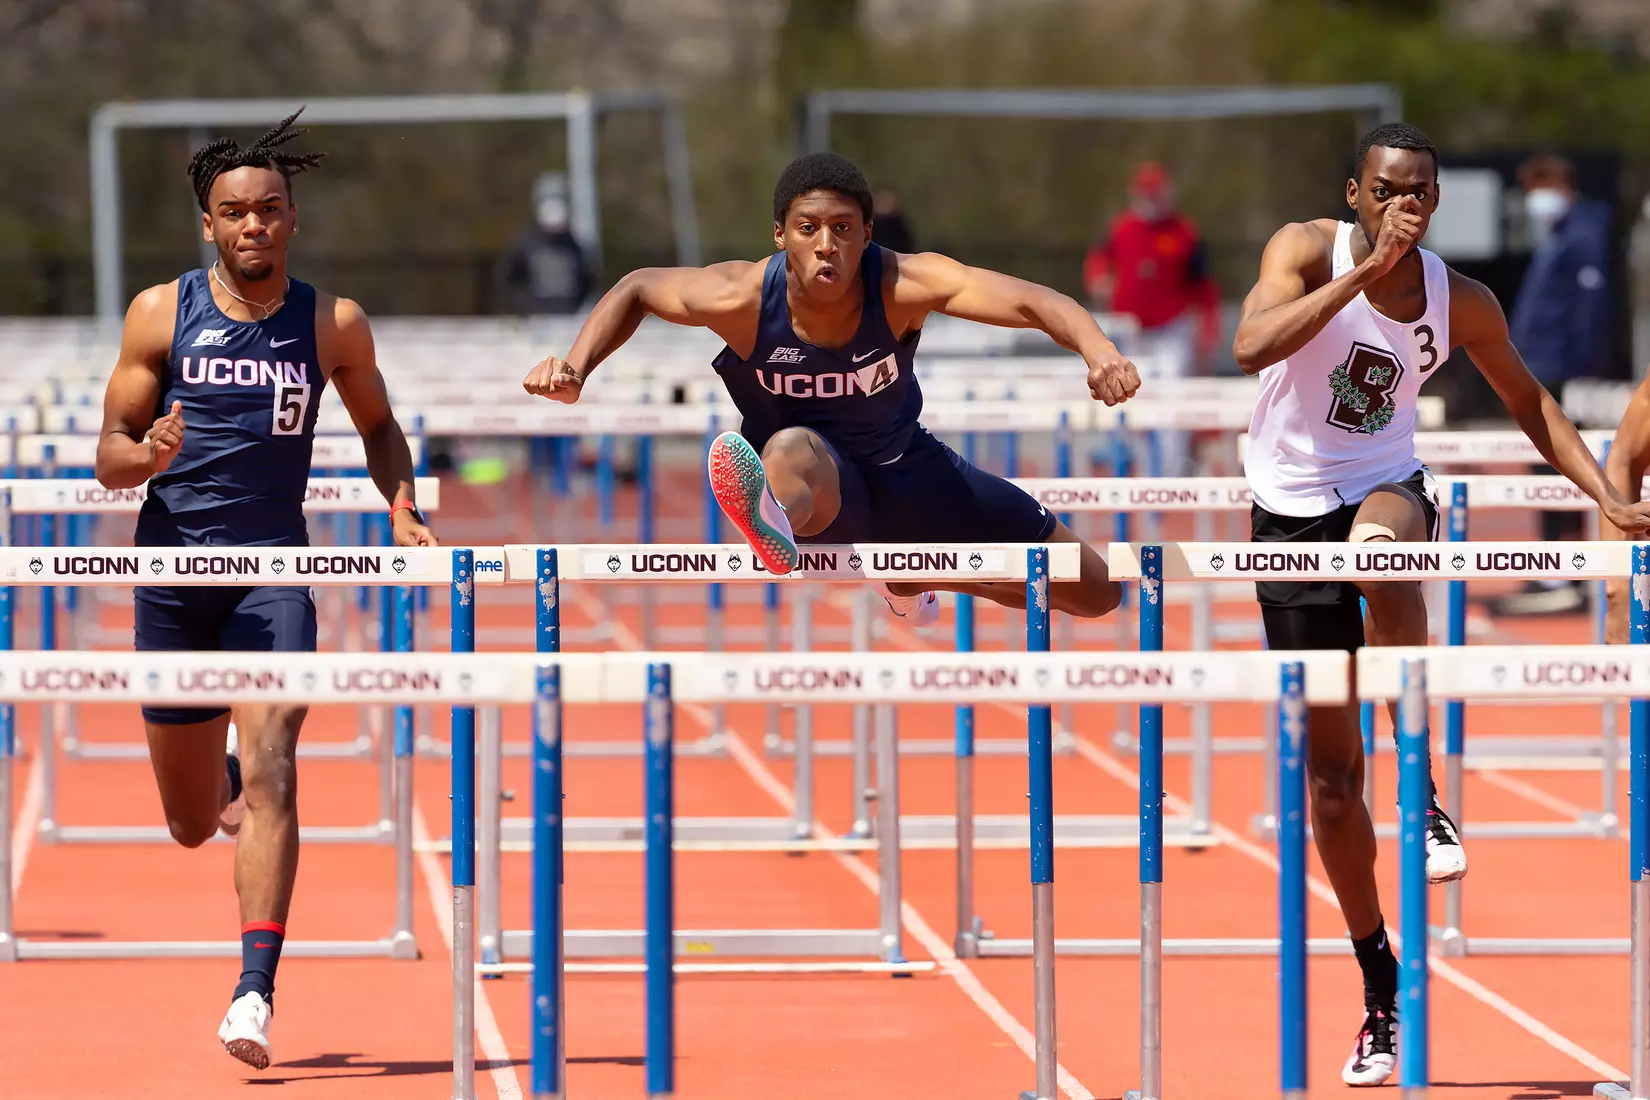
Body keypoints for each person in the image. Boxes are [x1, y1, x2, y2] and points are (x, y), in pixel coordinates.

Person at [1232, 121, 1650, 1087]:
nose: (1403, 207)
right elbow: (1251, 344)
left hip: (1385, 483)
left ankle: (1419, 794)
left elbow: (1532, 404)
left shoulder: (1460, 302)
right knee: (1333, 784)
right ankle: (1379, 981)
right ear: (1355, 193)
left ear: (1437, 201)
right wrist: (1359, 274)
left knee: (1384, 542)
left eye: (1419, 193)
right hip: (1286, 511)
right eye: (1387, 190)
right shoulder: (1303, 250)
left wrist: (1606, 495)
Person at [93, 109, 436, 1071]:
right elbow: (110, 457)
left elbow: (378, 428)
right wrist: (146, 450)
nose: (254, 227)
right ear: (209, 223)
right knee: (190, 822)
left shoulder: (333, 323)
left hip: (275, 572)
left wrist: (400, 503)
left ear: (293, 219)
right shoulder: (160, 313)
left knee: (277, 749)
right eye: (234, 212)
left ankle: (254, 993)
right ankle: (225, 787)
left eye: (270, 211)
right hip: (171, 574)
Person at [523, 151, 1138, 622]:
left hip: (905, 466)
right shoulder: (739, 297)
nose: (826, 245)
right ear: (780, 234)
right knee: (792, 446)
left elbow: (1031, 300)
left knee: (1095, 588)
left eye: (843, 229)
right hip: (818, 486)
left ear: (868, 233)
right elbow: (638, 287)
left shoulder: (903, 285)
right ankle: (775, 520)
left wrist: (1099, 350)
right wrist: (577, 367)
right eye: (808, 227)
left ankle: (908, 576)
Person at [1493, 152, 1616, 616]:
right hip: (1542, 367)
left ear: (1560, 187)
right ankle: (1559, 567)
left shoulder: (1583, 235)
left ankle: (1564, 571)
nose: (1533, 202)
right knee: (1546, 467)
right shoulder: (1560, 234)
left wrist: (1578, 372)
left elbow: (1589, 314)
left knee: (1561, 467)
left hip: (1561, 373)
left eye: (1537, 191)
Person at [1083, 161, 1221, 474]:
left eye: (1156, 194)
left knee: (1170, 402)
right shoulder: (1121, 228)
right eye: (1145, 194)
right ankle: (1129, 465)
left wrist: (1207, 334)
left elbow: (1204, 289)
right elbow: (1097, 262)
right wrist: (1098, 279)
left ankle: (1171, 474)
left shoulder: (1185, 234)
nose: (1151, 200)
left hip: (1171, 331)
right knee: (1125, 399)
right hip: (1129, 331)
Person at [496, 171, 594, 315]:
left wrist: (574, 307)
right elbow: (507, 281)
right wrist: (525, 308)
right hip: (535, 324)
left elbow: (588, 281)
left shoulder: (575, 246)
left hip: (568, 321)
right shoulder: (526, 245)